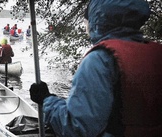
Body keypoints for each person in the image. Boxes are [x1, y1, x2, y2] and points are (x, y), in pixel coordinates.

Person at [29, 0, 162, 137]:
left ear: (96, 19)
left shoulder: (99, 60)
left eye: (86, 20)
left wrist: (46, 99)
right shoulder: (156, 53)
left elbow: (78, 128)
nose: (85, 26)